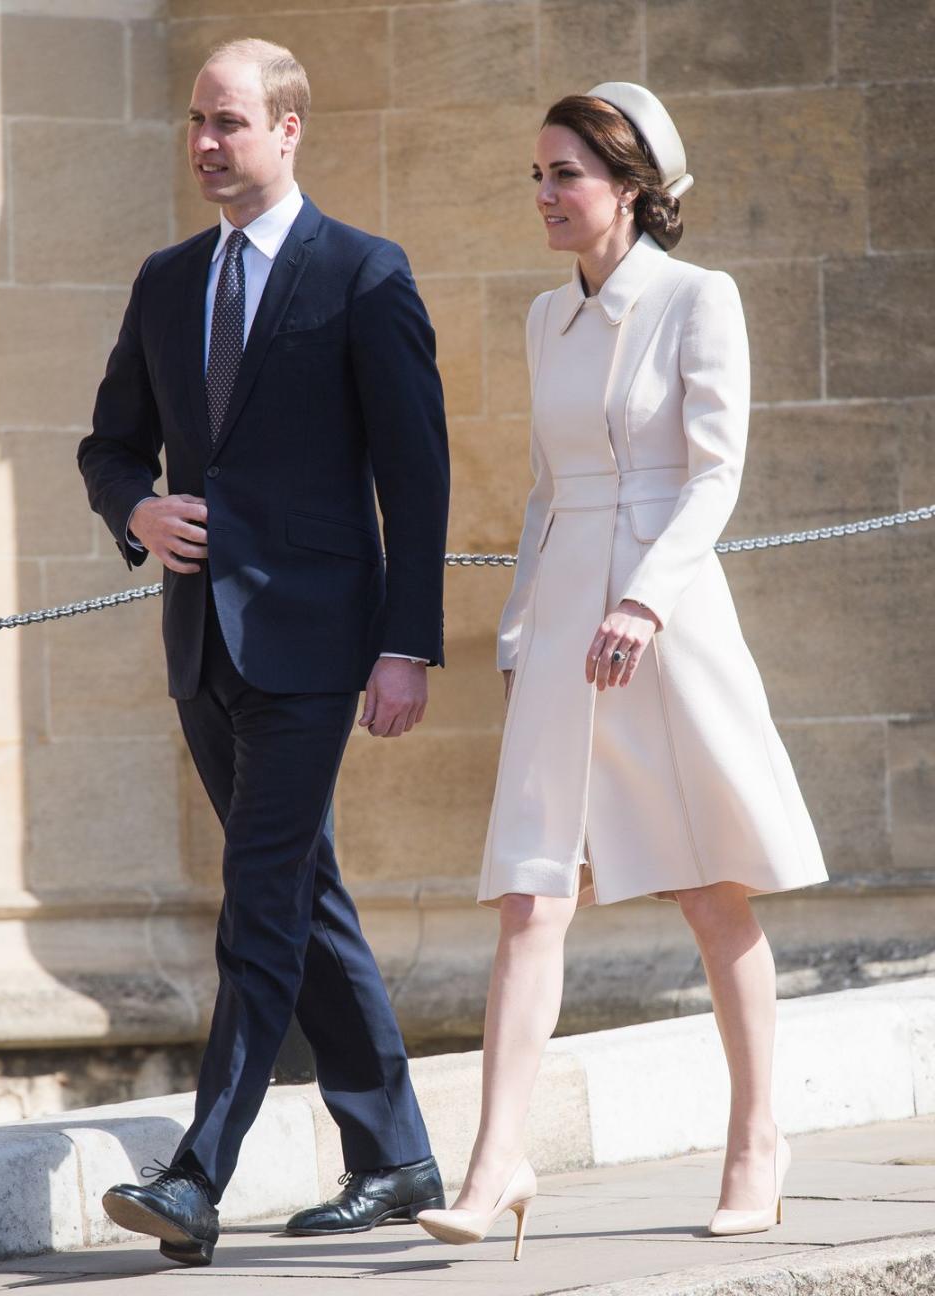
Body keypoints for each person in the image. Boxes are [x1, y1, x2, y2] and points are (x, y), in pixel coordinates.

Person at [417, 82, 828, 1260]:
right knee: (533, 894)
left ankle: (758, 1141)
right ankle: (497, 1162)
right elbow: (546, 495)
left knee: (712, 891)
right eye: (536, 176)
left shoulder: (703, 300)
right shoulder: (547, 320)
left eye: (566, 176)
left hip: (667, 614)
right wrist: (514, 634)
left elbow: (715, 472)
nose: (544, 196)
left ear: (633, 188)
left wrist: (644, 599)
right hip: (559, 623)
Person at [77, 38, 449, 1267]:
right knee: (301, 892)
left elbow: (418, 477)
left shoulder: (362, 274)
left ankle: (198, 1172)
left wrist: (406, 647)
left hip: (314, 646)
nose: (202, 143)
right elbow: (110, 444)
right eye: (195, 121)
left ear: (289, 128)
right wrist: (136, 509)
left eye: (226, 122)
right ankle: (394, 1154)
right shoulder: (166, 278)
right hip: (202, 643)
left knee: (259, 897)